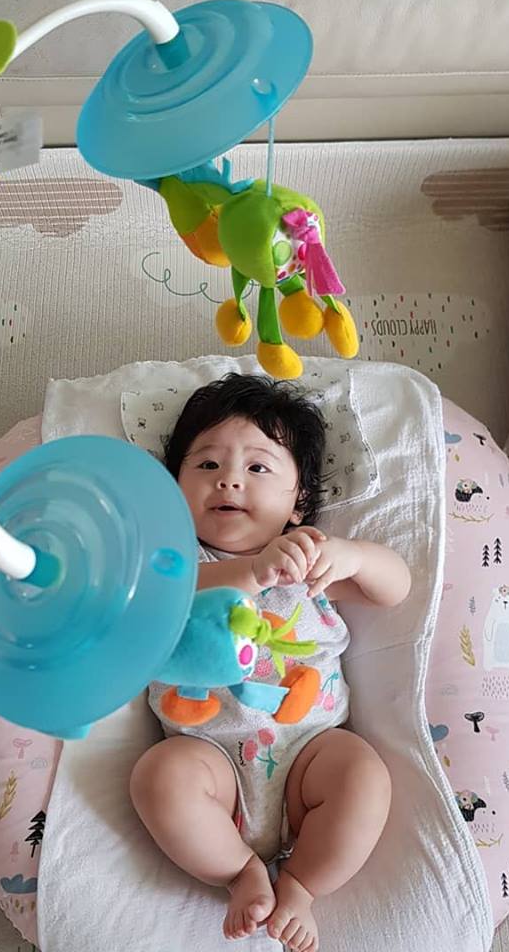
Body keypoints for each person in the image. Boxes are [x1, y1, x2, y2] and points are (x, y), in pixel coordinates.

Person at [129, 373, 410, 951]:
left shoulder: (310, 562)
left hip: (309, 751)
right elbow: (159, 600)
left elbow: (395, 588)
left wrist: (352, 556)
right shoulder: (174, 562)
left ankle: (301, 884)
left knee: (363, 775)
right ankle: (239, 872)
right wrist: (250, 572)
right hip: (208, 757)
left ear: (298, 501)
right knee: (157, 777)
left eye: (258, 467)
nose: (229, 478)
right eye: (207, 464)